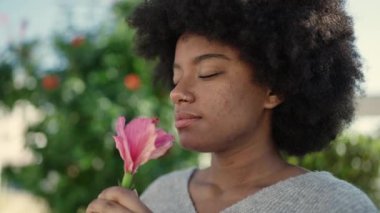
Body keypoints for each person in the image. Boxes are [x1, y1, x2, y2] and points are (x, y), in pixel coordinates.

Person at [86, 0, 378, 212]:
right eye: (176, 78)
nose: (178, 93)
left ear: (273, 88)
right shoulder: (159, 196)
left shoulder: (334, 206)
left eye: (208, 73)